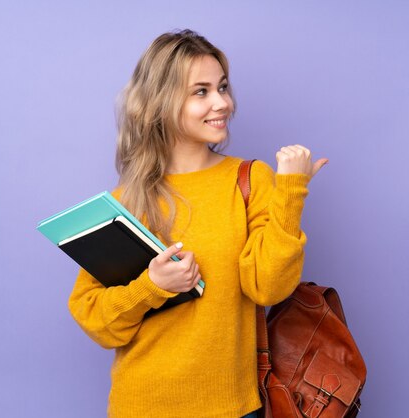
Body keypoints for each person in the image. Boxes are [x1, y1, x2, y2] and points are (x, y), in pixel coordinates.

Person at [68, 29, 328, 418]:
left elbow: (269, 286)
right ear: (160, 102)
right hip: (141, 406)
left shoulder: (250, 179)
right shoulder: (127, 201)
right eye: (201, 91)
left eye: (223, 87)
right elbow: (97, 320)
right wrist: (152, 287)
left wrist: (291, 192)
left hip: (233, 407)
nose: (223, 102)